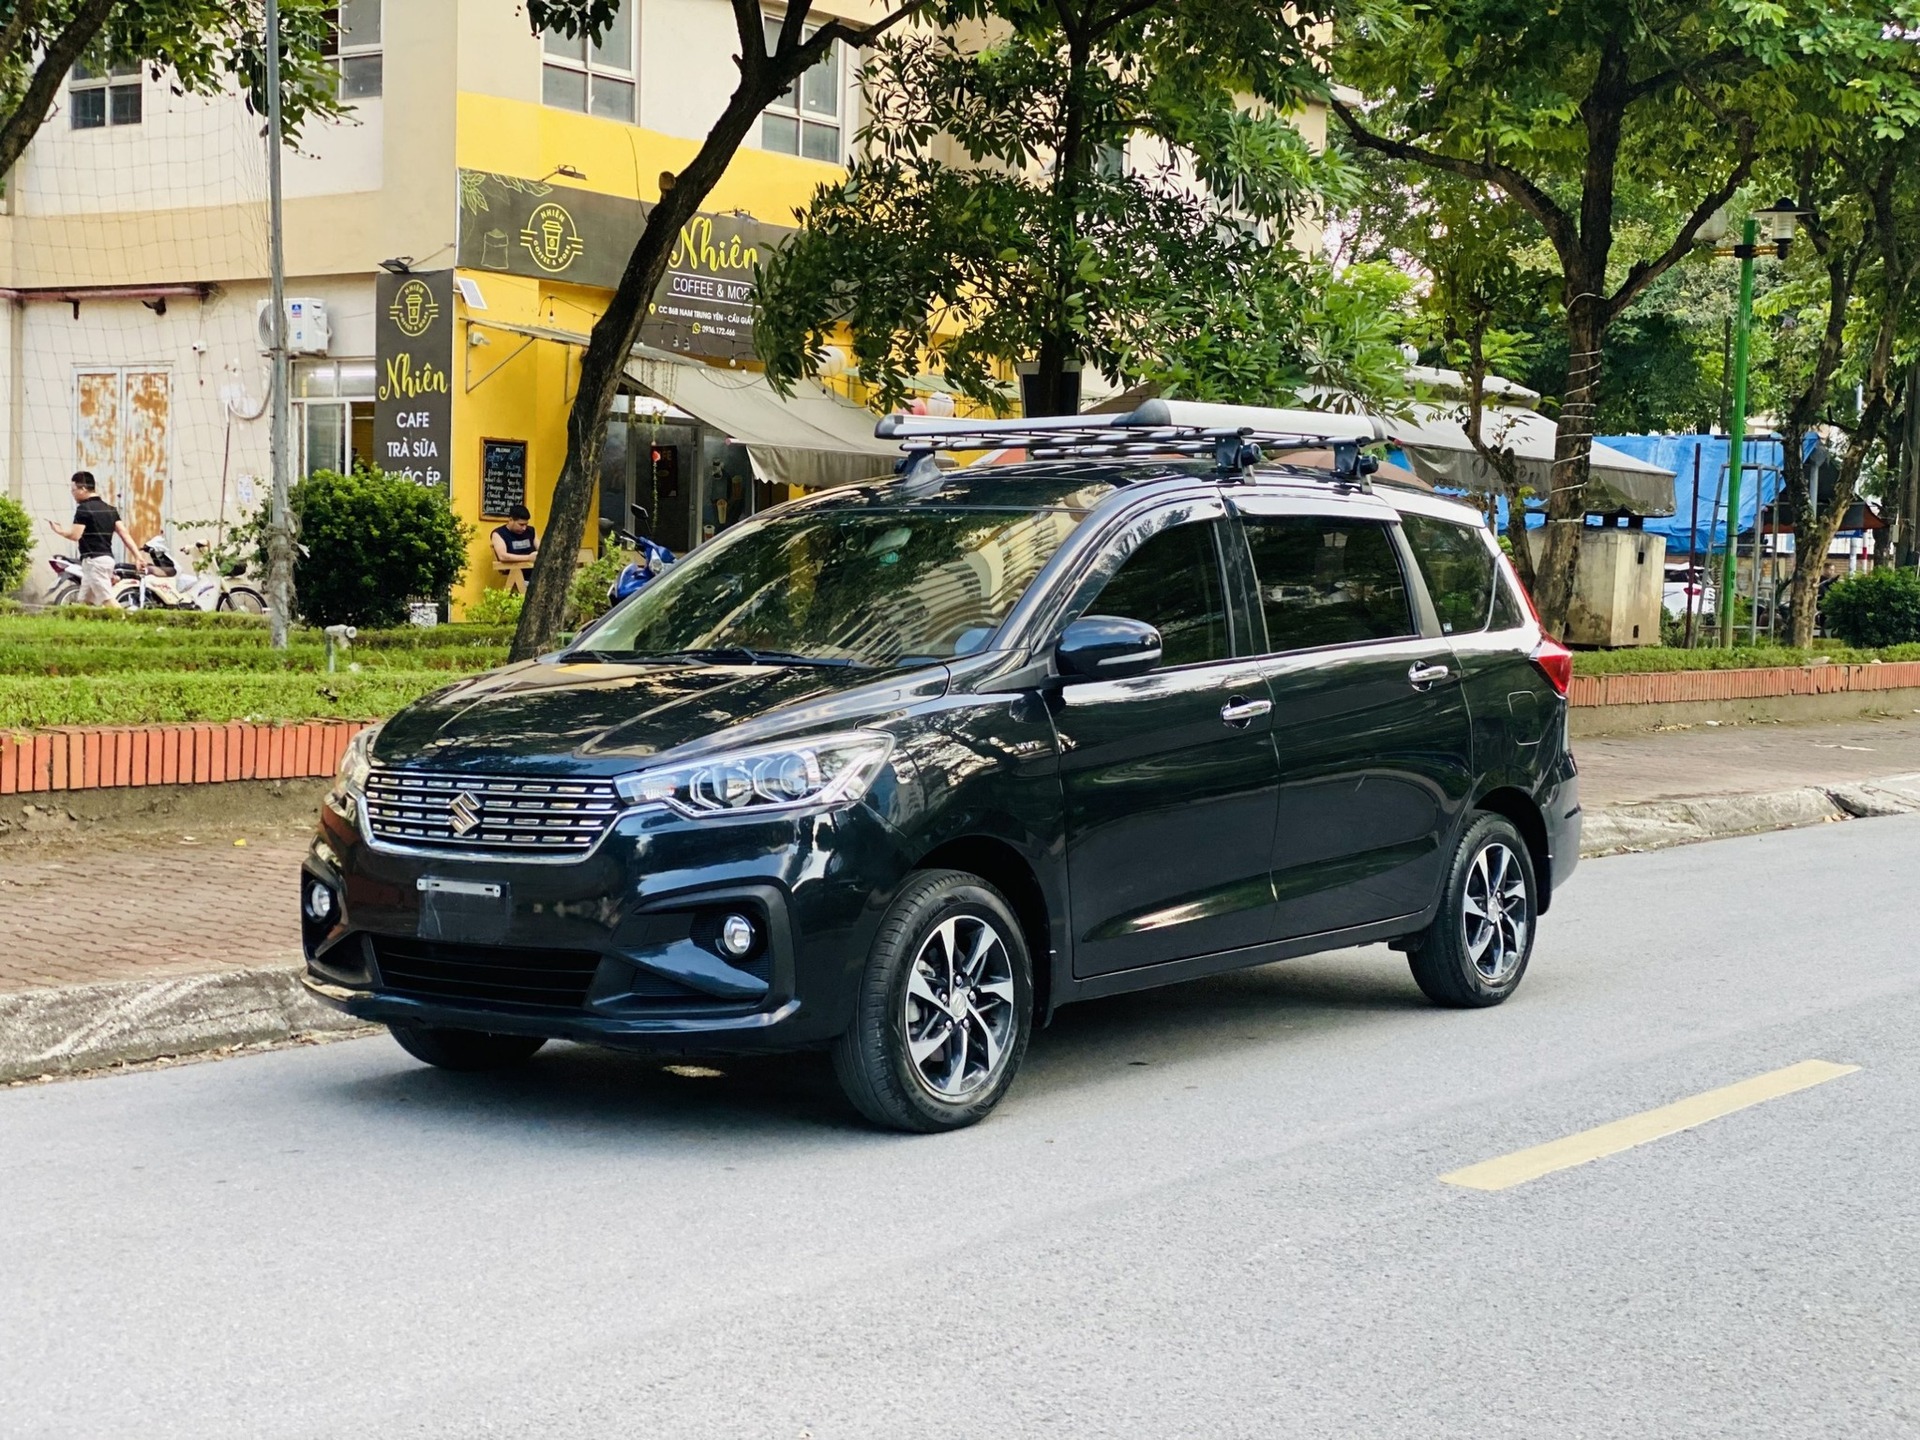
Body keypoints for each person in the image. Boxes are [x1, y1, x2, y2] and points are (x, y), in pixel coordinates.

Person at [46, 471, 144, 605]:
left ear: (83, 489)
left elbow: (75, 535)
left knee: (107, 600)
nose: (72, 493)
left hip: (94, 562)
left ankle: (126, 621)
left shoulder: (83, 509)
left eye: (73, 490)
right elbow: (124, 534)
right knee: (84, 602)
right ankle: (80, 624)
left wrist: (59, 531)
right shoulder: (110, 510)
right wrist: (138, 556)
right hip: (106, 560)